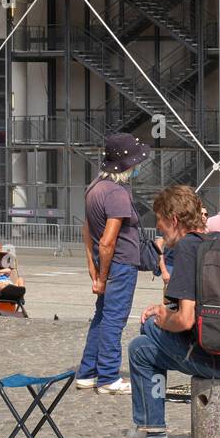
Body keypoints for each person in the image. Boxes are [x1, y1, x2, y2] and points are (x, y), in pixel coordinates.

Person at [110, 184, 220, 438]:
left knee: (146, 336)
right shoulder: (219, 244)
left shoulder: (186, 250)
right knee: (144, 347)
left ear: (174, 220)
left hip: (216, 360)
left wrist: (159, 316)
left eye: (158, 221)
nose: (157, 228)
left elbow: (185, 319)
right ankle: (150, 435)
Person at [76, 133, 151, 394]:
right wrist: (103, 276)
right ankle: (108, 377)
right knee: (113, 320)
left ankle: (87, 372)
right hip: (119, 264)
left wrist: (93, 268)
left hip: (106, 263)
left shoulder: (94, 187)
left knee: (101, 317)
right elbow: (108, 241)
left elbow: (88, 232)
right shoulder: (117, 194)